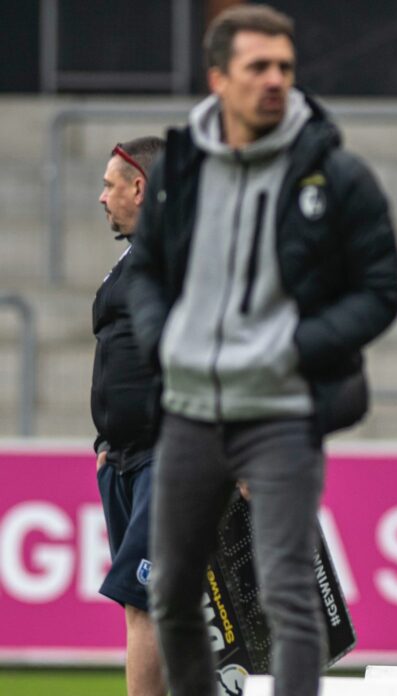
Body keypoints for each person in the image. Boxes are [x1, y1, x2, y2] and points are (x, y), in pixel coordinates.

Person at [126, 5, 397, 695]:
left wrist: (296, 345)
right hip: (193, 411)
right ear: (220, 77)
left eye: (285, 66)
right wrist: (164, 342)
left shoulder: (336, 176)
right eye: (258, 67)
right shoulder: (179, 172)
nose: (275, 78)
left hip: (282, 413)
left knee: (288, 595)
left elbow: (382, 289)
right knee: (173, 592)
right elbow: (148, 274)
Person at [92, 135, 167, 696]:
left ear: (139, 188)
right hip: (123, 460)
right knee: (151, 607)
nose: (102, 197)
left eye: (109, 183)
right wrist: (103, 447)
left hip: (169, 457)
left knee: (144, 603)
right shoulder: (131, 260)